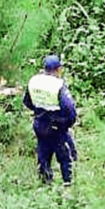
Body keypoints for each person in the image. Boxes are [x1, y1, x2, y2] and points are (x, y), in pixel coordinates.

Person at [23, 54, 77, 185]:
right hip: (57, 126)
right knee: (65, 156)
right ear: (59, 69)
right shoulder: (57, 85)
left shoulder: (34, 81)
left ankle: (45, 182)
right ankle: (67, 183)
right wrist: (68, 122)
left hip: (39, 124)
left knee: (43, 154)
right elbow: (69, 108)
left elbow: (27, 101)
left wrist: (39, 111)